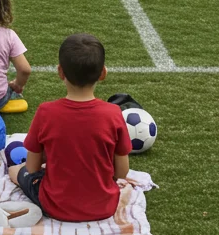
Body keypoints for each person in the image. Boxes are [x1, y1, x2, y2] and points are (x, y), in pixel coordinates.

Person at [7, 33, 131, 223]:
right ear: (103, 73)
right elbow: (121, 173)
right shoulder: (113, 113)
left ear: (60, 72)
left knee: (15, 170)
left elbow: (32, 168)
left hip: (55, 205)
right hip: (104, 206)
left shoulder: (46, 112)